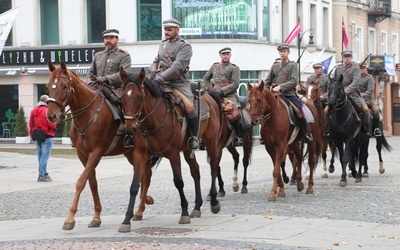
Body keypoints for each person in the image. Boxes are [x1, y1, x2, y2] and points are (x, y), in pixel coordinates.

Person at [149, 18, 199, 149]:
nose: (167, 32)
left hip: (178, 82)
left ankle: (194, 137)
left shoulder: (185, 46)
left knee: (189, 106)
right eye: (165, 29)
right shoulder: (162, 44)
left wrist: (162, 77)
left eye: (170, 30)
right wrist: (154, 71)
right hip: (160, 79)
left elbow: (177, 67)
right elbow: (155, 61)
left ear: (177, 30)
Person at [86, 28, 133, 147]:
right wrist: (88, 82)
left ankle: (128, 134)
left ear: (117, 39)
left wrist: (106, 79)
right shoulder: (98, 55)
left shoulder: (123, 55)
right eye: (106, 38)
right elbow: (90, 72)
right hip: (96, 87)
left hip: (115, 89)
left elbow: (124, 74)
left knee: (125, 107)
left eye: (111, 38)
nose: (108, 41)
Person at [264, 43, 313, 143]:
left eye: (284, 51)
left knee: (299, 111)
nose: (282, 53)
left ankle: (305, 133)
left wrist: (281, 87)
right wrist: (265, 90)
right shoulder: (275, 66)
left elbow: (294, 81)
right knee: (264, 109)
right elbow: (267, 81)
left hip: (288, 94)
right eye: (281, 51)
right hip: (275, 95)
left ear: (288, 52)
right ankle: (265, 133)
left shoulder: (293, 65)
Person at [323, 50, 372, 139]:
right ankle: (329, 130)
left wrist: (345, 92)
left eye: (349, 57)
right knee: (326, 110)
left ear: (351, 58)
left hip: (353, 94)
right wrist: (326, 95)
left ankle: (366, 130)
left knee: (365, 109)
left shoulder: (356, 68)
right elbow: (334, 83)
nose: (347, 58)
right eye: (345, 57)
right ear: (342, 58)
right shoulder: (338, 68)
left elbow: (356, 82)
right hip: (339, 95)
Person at [203, 47, 243, 146]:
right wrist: (209, 89)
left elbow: (235, 84)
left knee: (235, 112)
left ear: (230, 55)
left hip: (229, 95)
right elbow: (206, 78)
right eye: (223, 54)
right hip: (214, 93)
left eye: (227, 54)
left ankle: (238, 136)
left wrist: (222, 91)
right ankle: (202, 138)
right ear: (220, 55)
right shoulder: (214, 66)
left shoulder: (234, 68)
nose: (225, 56)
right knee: (204, 109)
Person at [29, 95, 57, 182]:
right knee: (44, 156)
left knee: (40, 156)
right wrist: (54, 127)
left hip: (37, 135)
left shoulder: (33, 110)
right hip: (47, 135)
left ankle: (44, 172)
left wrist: (32, 135)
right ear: (46, 101)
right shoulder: (47, 110)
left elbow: (31, 124)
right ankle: (41, 175)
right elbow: (51, 123)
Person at [359, 63, 381, 137]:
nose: (361, 69)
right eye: (360, 68)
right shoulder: (354, 77)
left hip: (367, 98)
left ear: (366, 69)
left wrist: (361, 95)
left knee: (376, 110)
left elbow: (370, 90)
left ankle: (376, 128)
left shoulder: (369, 78)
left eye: (363, 68)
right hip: (355, 97)